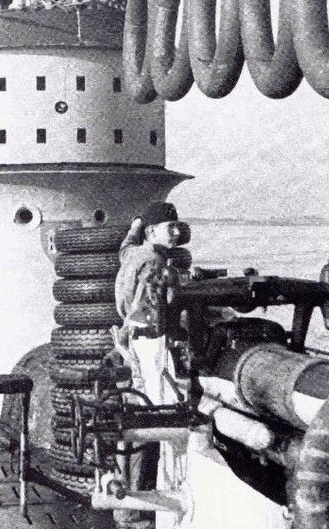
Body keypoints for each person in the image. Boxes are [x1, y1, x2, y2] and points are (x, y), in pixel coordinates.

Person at [112, 201, 191, 529]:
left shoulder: (133, 253)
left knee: (129, 419)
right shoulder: (156, 263)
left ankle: (123, 507)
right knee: (150, 419)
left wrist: (136, 224)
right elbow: (151, 310)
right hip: (148, 344)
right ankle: (135, 511)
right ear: (153, 231)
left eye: (178, 226)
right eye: (170, 227)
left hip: (129, 341)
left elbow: (124, 246)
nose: (177, 232)